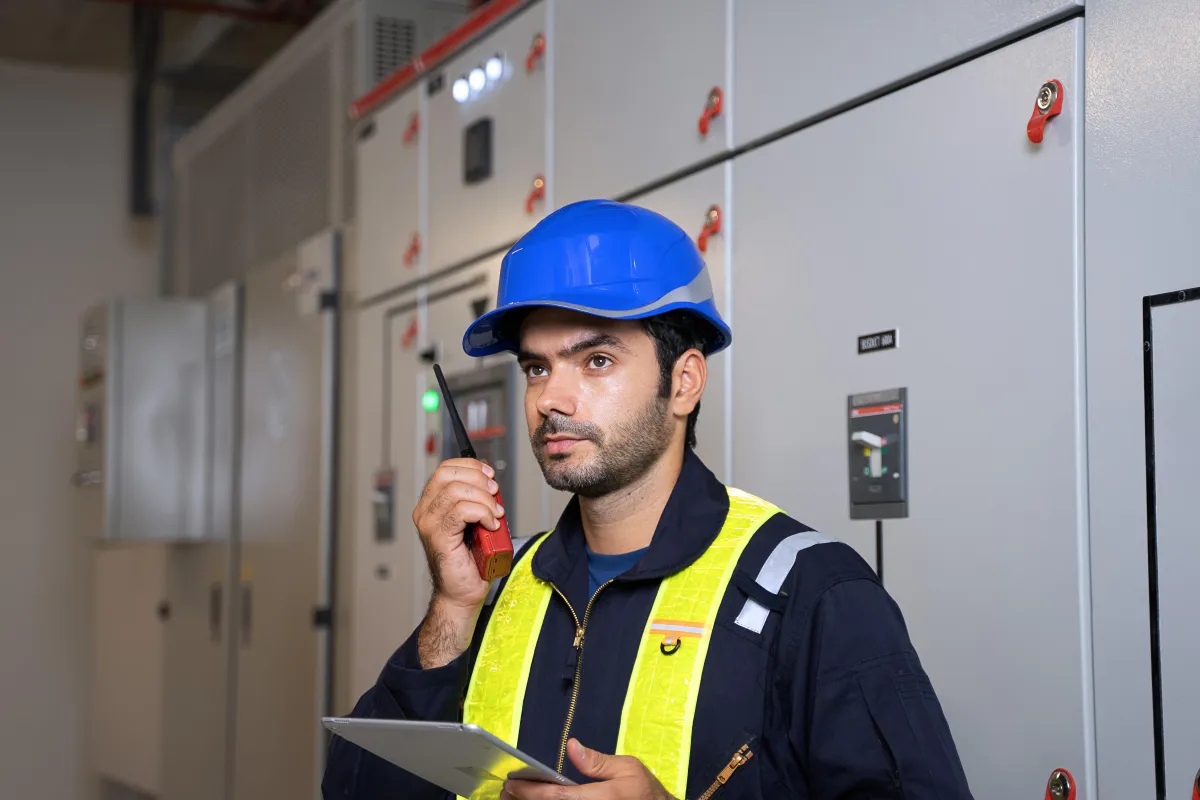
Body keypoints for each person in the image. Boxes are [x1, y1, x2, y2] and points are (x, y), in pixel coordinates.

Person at [322, 199, 973, 799]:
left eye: (597, 361)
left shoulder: (810, 593)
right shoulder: (499, 587)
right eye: (537, 367)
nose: (551, 399)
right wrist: (452, 608)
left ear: (684, 382)